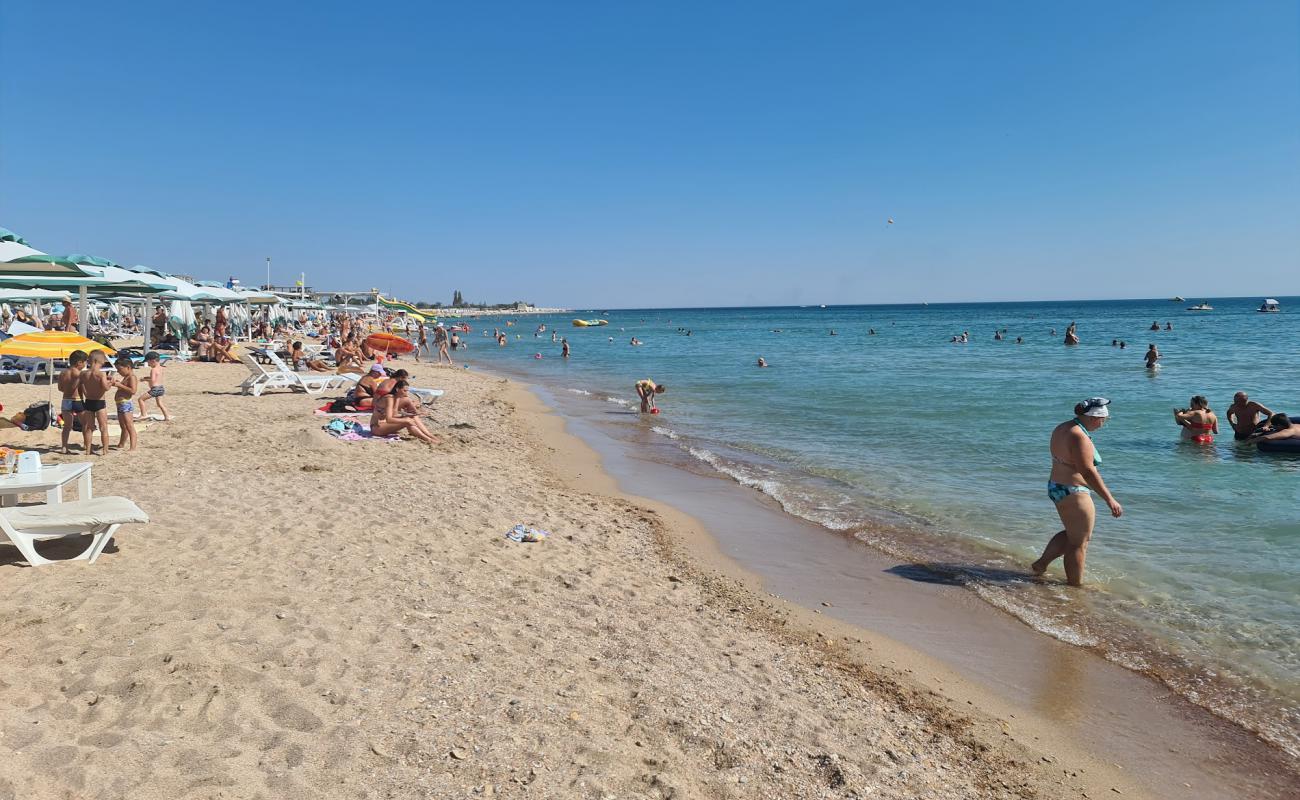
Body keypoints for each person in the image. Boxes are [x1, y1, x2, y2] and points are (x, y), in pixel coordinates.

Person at [1032, 397, 1123, 587]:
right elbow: (1087, 472)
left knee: (1073, 534)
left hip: (1057, 486)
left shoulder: (1063, 427)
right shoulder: (1078, 436)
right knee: (1079, 543)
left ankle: (1041, 564)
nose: (1103, 423)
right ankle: (1075, 587)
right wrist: (1110, 499)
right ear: (1093, 417)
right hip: (1073, 491)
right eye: (1103, 420)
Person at [370, 380, 436, 444]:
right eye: (404, 391)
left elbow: (394, 415)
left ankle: (429, 435)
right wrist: (406, 420)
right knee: (407, 421)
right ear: (397, 389)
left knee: (412, 416)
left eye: (407, 391)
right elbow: (389, 419)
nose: (406, 393)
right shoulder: (389, 398)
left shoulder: (397, 397)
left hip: (386, 425)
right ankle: (428, 439)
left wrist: (407, 415)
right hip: (376, 427)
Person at [78, 350, 114, 455]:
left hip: (88, 401)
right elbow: (105, 387)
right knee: (103, 427)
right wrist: (111, 383)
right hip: (99, 402)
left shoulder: (84, 374)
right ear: (98, 361)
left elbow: (82, 386)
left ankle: (88, 450)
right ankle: (105, 450)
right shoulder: (101, 373)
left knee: (89, 428)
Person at [56, 350, 88, 454]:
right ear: (79, 362)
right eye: (85, 362)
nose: (85, 364)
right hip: (77, 400)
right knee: (85, 424)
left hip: (65, 400)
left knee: (67, 426)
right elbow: (84, 390)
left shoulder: (63, 373)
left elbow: (60, 388)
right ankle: (86, 445)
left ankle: (64, 447)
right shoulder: (79, 374)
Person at [112, 357, 139, 451]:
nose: (119, 372)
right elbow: (124, 387)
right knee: (123, 426)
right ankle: (121, 444)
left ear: (127, 367)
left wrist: (120, 385)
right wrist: (118, 384)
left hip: (126, 403)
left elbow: (133, 390)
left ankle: (133, 447)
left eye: (120, 369)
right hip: (120, 404)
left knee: (129, 425)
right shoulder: (126, 377)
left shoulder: (132, 377)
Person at [137, 352, 170, 421]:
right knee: (160, 404)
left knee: (141, 399)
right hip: (161, 388)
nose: (148, 364)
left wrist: (144, 379)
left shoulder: (153, 369)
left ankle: (143, 415)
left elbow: (152, 380)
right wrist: (146, 377)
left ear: (153, 361)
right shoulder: (161, 368)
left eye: (148, 362)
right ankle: (167, 417)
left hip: (155, 389)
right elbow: (157, 377)